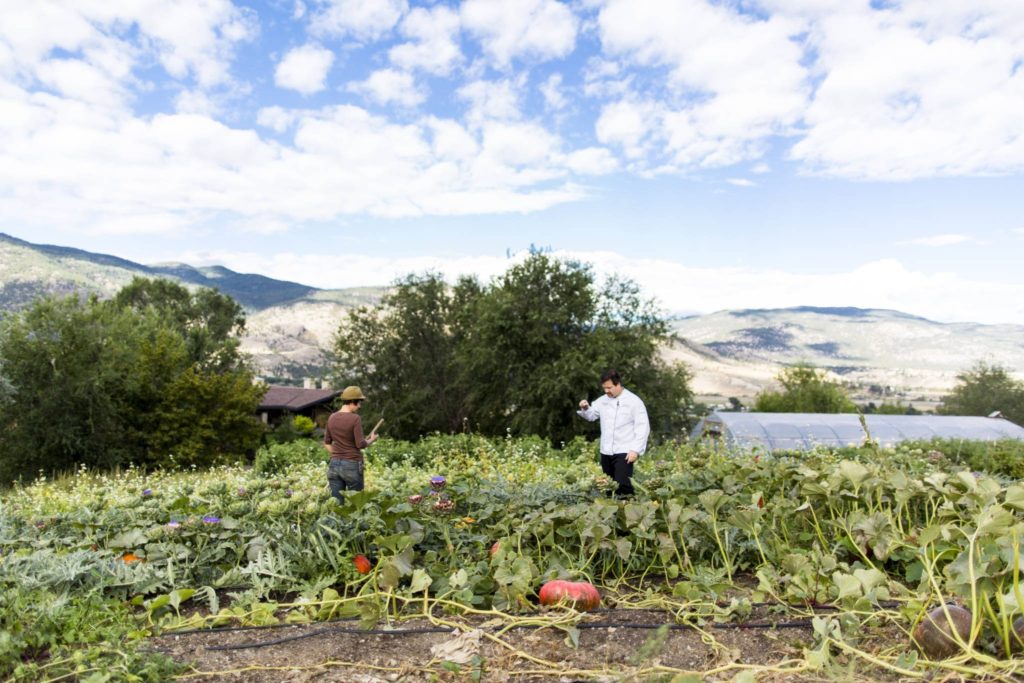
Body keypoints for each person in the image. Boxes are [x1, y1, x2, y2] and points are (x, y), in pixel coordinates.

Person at [576, 369, 650, 497]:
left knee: (622, 485)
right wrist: (585, 408)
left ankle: (629, 511)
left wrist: (635, 450)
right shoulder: (602, 400)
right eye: (604, 388)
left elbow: (642, 427)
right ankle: (612, 514)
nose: (606, 391)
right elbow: (592, 416)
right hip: (606, 450)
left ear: (618, 384)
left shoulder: (634, 401)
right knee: (608, 485)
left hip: (625, 451)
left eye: (609, 388)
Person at [323, 385, 379, 503]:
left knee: (337, 505)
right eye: (359, 403)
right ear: (352, 402)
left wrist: (339, 455)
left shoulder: (332, 417)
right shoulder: (355, 418)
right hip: (352, 465)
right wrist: (372, 439)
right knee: (357, 504)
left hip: (334, 465)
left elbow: (327, 443)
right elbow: (360, 444)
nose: (359, 406)